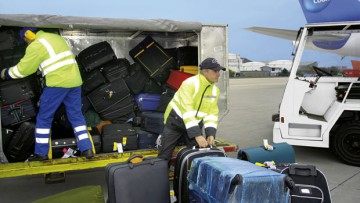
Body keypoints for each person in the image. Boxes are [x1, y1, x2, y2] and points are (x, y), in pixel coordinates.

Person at [0, 27, 94, 161]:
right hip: (74, 82)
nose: (26, 42)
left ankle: (41, 154)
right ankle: (87, 149)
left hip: (57, 84)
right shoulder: (56, 38)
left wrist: (5, 73)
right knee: (76, 116)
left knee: (44, 118)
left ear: (28, 35)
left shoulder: (36, 45)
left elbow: (22, 71)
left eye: (25, 40)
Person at [157, 57, 226, 160]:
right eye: (215, 71)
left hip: (193, 125)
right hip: (175, 122)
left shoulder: (214, 90)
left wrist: (210, 134)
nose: (218, 74)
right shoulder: (189, 84)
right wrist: (197, 135)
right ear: (204, 72)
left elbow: (211, 113)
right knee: (164, 156)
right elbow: (187, 111)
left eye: (219, 71)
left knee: (197, 155)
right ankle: (161, 175)